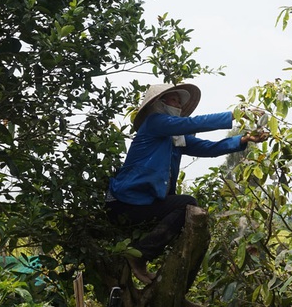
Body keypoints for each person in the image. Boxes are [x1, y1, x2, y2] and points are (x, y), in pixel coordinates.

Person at [105, 83, 268, 295]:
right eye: (174, 100)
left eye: (180, 102)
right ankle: (140, 255)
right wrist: (235, 115)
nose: (179, 105)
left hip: (144, 204)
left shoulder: (176, 139)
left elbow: (209, 148)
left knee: (190, 219)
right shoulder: (155, 123)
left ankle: (171, 287)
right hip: (124, 202)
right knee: (186, 204)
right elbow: (193, 123)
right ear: (159, 103)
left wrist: (242, 140)